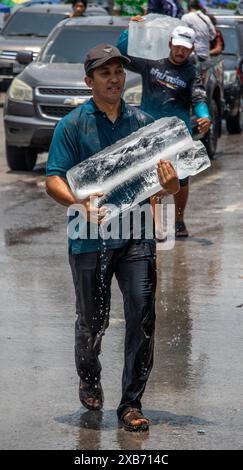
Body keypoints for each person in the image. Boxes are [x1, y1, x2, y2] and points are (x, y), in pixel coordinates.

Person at [46, 43, 180, 432]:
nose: (115, 78)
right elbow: (53, 178)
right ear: (89, 81)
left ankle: (130, 405)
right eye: (105, 73)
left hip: (136, 235)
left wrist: (169, 186)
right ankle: (89, 378)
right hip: (88, 237)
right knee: (92, 321)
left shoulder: (142, 122)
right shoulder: (72, 125)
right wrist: (78, 204)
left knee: (142, 317)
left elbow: (160, 183)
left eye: (118, 71)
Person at [117, 22, 211, 237]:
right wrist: (129, 28)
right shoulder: (152, 64)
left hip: (178, 134)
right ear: (170, 44)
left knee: (181, 179)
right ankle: (157, 226)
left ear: (191, 49)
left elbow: (199, 98)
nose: (180, 51)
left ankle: (179, 219)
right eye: (177, 46)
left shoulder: (191, 73)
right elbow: (123, 54)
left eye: (185, 48)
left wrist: (205, 116)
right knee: (152, 179)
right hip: (150, 131)